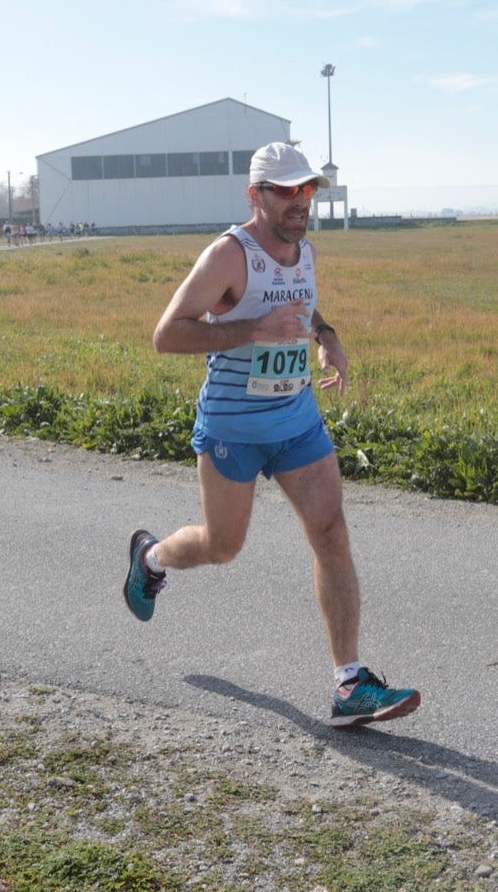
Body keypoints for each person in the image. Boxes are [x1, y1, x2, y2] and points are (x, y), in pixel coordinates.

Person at [122, 142, 420, 729]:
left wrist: (326, 334)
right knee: (222, 546)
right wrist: (249, 329)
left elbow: (302, 307)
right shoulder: (229, 256)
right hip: (234, 427)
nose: (299, 201)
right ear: (254, 195)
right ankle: (150, 556)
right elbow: (167, 335)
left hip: (297, 420)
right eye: (284, 190)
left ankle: (349, 684)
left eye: (305, 189)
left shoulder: (303, 250)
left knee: (330, 532)